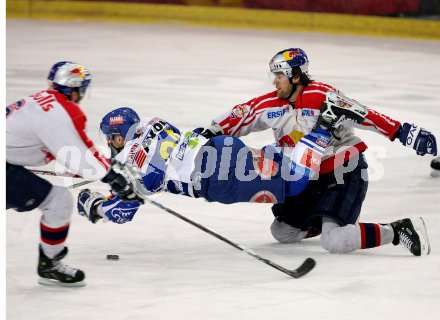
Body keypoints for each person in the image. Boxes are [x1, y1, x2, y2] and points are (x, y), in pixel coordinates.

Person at [199, 48, 437, 256]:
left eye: (280, 75)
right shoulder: (271, 104)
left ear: (295, 75)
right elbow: (242, 115)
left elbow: (364, 115)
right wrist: (208, 133)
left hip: (343, 170)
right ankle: (327, 219)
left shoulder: (322, 95)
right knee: (283, 232)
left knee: (335, 241)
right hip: (307, 177)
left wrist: (402, 132)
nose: (275, 81)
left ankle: (397, 229)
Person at [76, 105, 361, 225]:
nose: (110, 144)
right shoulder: (151, 122)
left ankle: (324, 127)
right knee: (278, 162)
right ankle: (314, 139)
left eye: (111, 139)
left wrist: (95, 205)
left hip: (219, 179)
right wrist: (119, 179)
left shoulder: (129, 159)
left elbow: (125, 210)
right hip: (222, 148)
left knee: (295, 184)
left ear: (118, 136)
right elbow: (157, 160)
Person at [6, 61, 140, 286]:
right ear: (75, 89)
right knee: (58, 202)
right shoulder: (61, 111)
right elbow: (79, 153)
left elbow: (65, 149)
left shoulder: (38, 101)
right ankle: (50, 263)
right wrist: (113, 178)